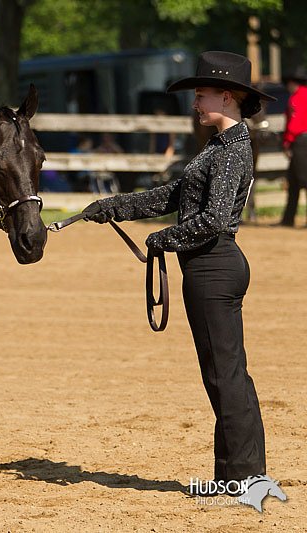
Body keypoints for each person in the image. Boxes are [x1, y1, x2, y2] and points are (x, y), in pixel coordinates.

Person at [81, 51, 277, 495]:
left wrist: (161, 240)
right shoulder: (220, 147)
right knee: (227, 373)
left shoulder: (230, 151)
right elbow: (173, 195)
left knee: (224, 376)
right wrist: (112, 207)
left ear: (226, 97)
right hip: (212, 266)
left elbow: (211, 219)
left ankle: (242, 479)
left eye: (201, 95)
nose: (194, 103)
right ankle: (241, 476)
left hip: (213, 265)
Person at [280, 65, 307, 227]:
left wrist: (287, 142)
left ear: (292, 82)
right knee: (294, 181)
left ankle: (288, 219)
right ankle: (288, 218)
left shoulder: (297, 97)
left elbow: (295, 124)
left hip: (301, 142)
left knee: (303, 179)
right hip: (302, 141)